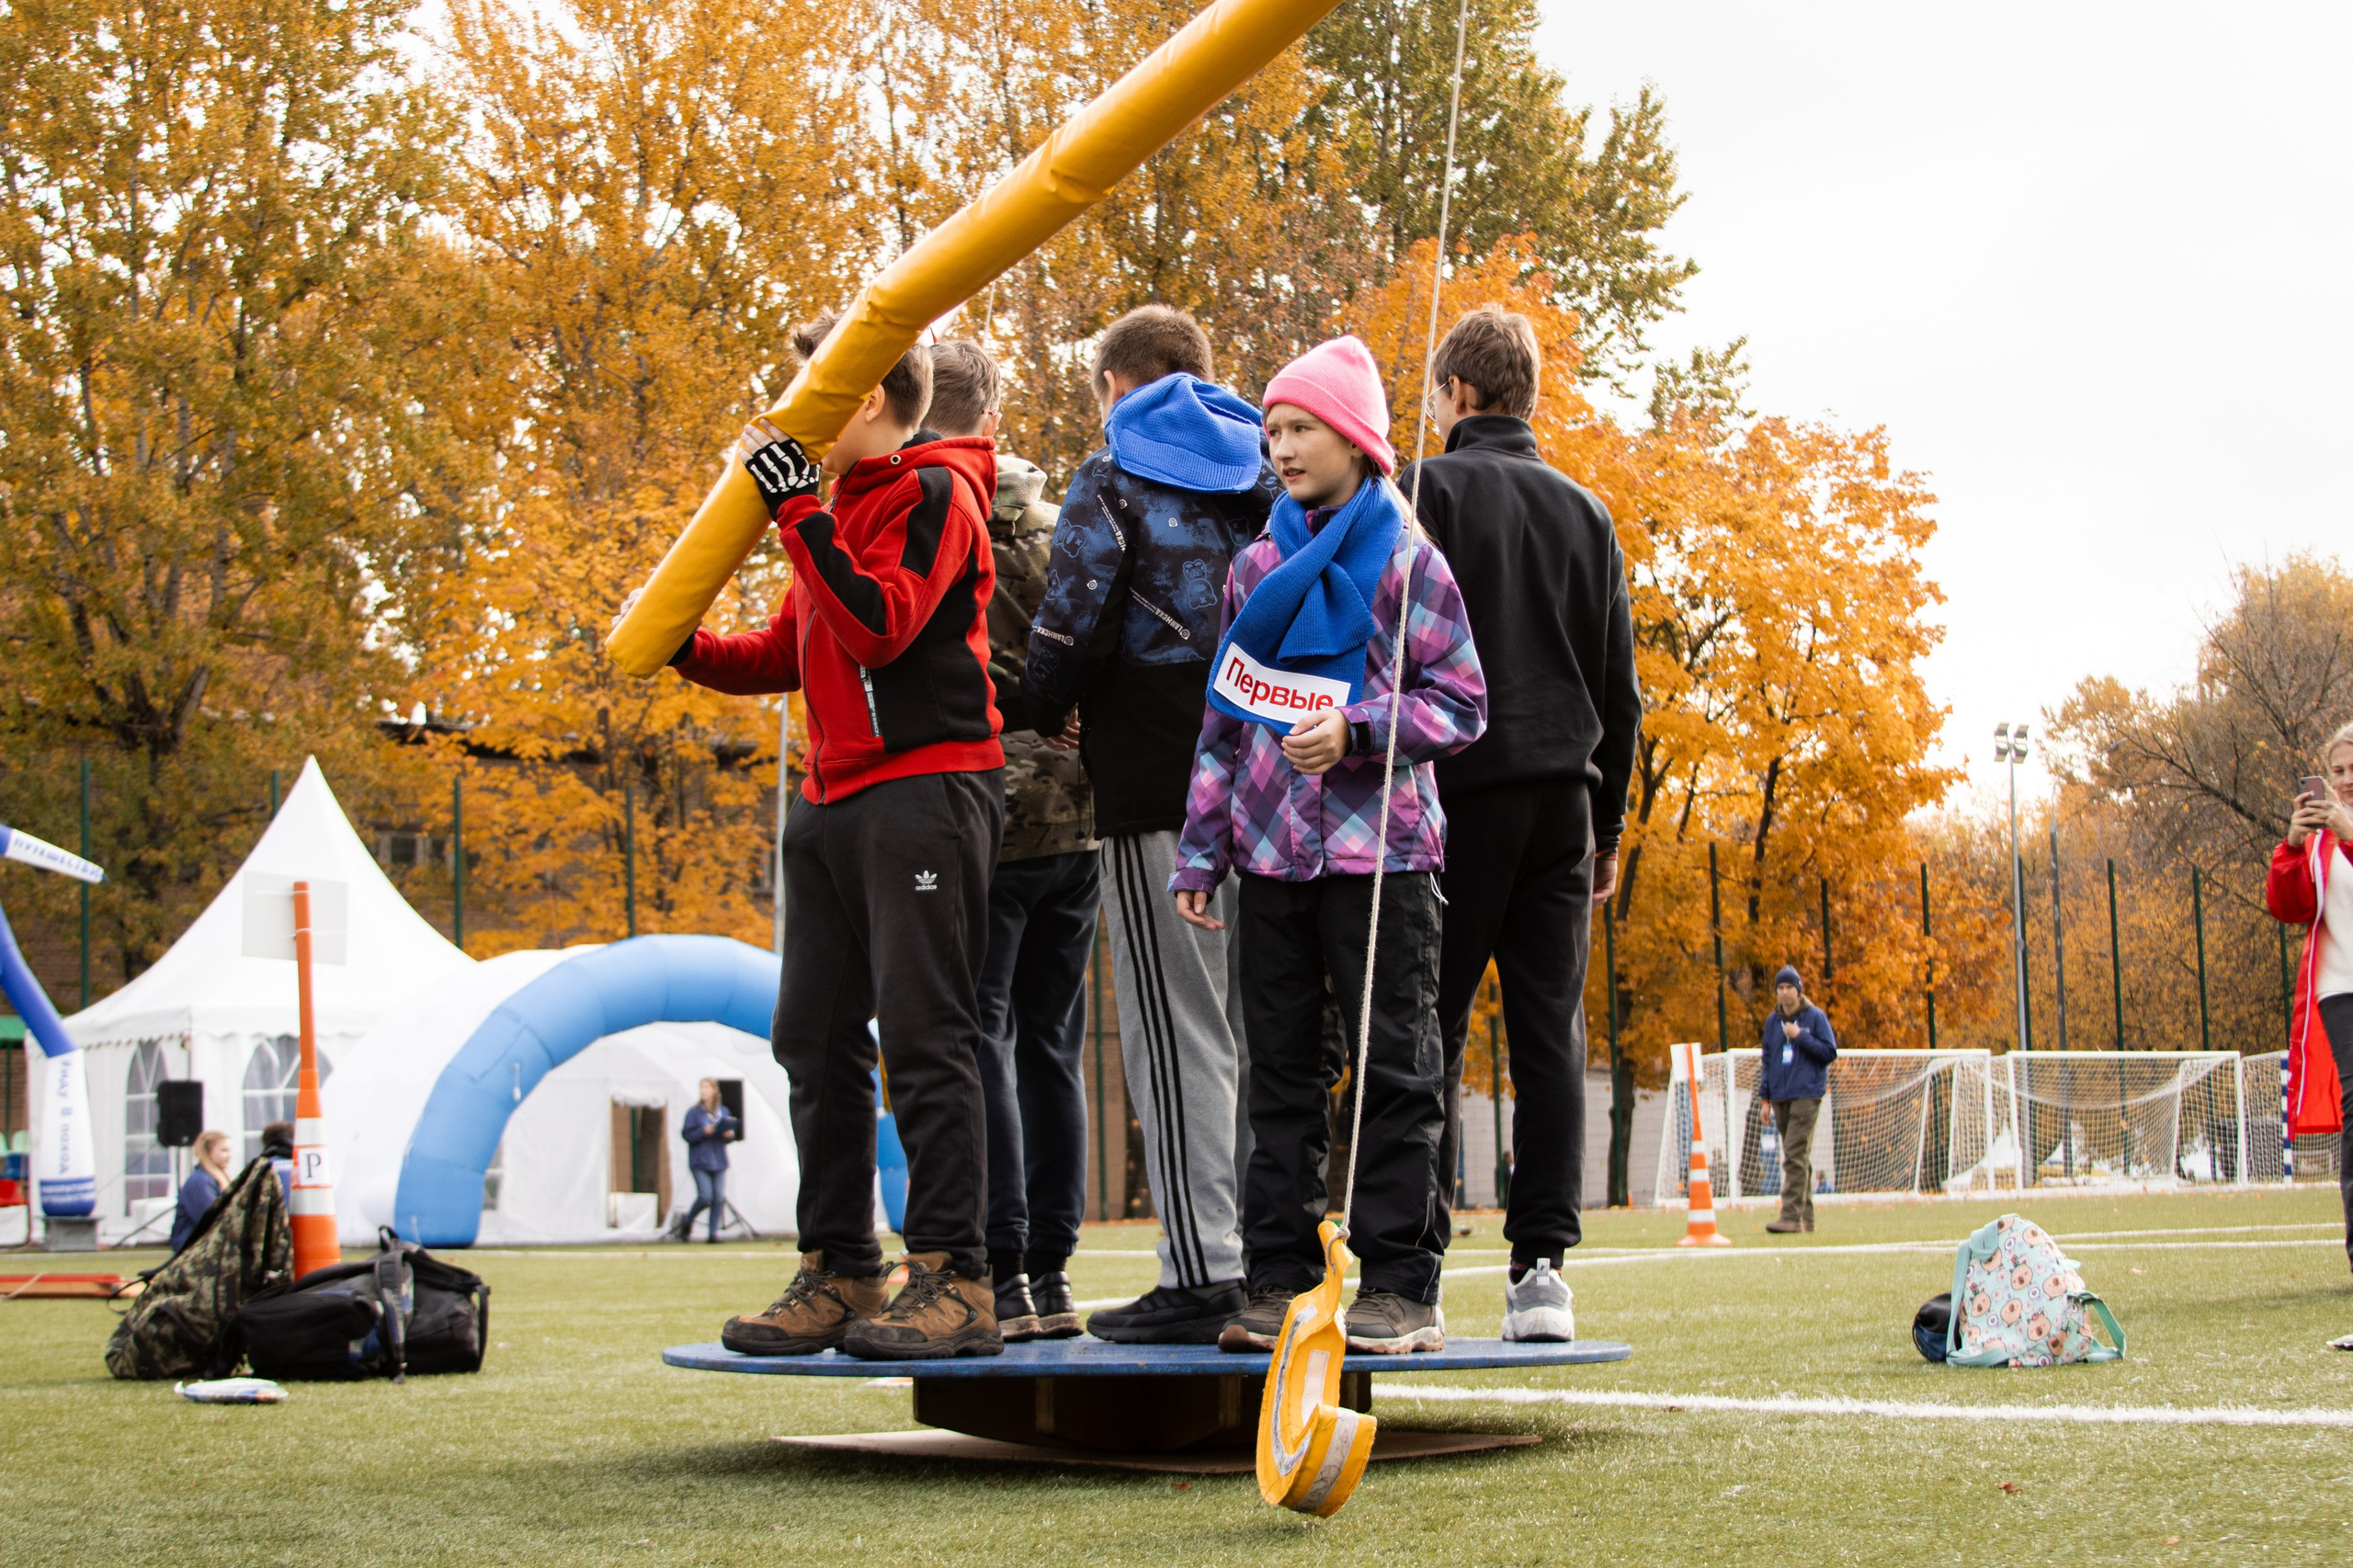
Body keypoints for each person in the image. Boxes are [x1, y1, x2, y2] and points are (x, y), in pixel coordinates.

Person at [649, 314, 1005, 1359]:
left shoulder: (934, 493)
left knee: (925, 1033)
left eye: (807, 385)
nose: (790, 404)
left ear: (858, 397)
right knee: (810, 1032)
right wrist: (685, 644)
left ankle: (954, 1275)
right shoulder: (835, 508)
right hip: (832, 795)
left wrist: (797, 509)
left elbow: (880, 623)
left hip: (926, 790)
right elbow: (797, 647)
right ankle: (843, 1266)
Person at [1171, 335, 1487, 1356]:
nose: (1282, 446)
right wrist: (1198, 850)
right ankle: (1279, 1280)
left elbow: (1464, 702)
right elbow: (1223, 723)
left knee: (1397, 1066)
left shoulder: (1408, 558)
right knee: (1279, 1076)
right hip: (1266, 858)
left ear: (1356, 438)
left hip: (1383, 858)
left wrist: (1359, 730)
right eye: (1271, 430)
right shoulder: (1253, 566)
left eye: (1302, 426)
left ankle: (1401, 1286)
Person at [1025, 305, 1281, 1343]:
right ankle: (1269, 1255)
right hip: (1272, 767)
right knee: (1257, 1023)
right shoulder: (1274, 461)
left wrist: (1044, 706)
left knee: (1177, 1028)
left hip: (1157, 771)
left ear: (1115, 383)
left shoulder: (1114, 468)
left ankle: (1200, 1264)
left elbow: (1071, 616)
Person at [1404, 305, 1641, 1340]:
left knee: (1428, 1027)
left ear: (1456, 392)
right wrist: (1606, 829)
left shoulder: (1426, 492)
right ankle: (1540, 1269)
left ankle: (1409, 1256)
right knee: (1550, 1037)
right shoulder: (1588, 512)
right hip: (1561, 797)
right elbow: (1620, 690)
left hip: (1455, 792)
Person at [930, 339, 1097, 1340]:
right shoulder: (1063, 519)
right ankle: (1053, 1271)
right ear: (995, 416)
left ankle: (998, 1253)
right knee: (1052, 1040)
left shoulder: (932, 520)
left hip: (984, 808)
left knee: (982, 1028)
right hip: (1076, 815)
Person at [2266, 721, 2353, 1275]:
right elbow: (2288, 906)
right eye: (2338, 771)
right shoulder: (2318, 841)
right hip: (2338, 987)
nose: (2345, 781)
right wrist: (2293, 845)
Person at [1759, 966, 1837, 1234]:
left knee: (1793, 1154)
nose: (1784, 992)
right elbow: (1767, 1060)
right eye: (1779, 988)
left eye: (1788, 987)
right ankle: (1807, 1220)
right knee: (1799, 1157)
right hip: (1780, 1096)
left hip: (1806, 1094)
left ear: (1798, 990)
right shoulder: (1772, 1021)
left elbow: (1829, 1051)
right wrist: (1764, 1099)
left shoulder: (1814, 1017)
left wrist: (1800, 1037)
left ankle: (1790, 1217)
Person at [678, 1078, 739, 1244]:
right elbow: (687, 1135)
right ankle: (687, 1220)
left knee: (718, 1198)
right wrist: (703, 1132)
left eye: (706, 1087)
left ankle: (713, 1234)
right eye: (701, 1088)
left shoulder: (723, 1111)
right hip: (700, 1160)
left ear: (714, 1090)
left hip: (718, 1160)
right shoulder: (694, 1112)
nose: (703, 1091)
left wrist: (729, 1135)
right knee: (706, 1196)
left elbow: (728, 1135)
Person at [168, 1131, 233, 1255]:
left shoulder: (216, 1178)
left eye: (230, 1151)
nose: (229, 1156)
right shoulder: (200, 1182)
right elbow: (211, 1220)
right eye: (224, 1151)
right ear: (208, 1152)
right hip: (194, 1253)